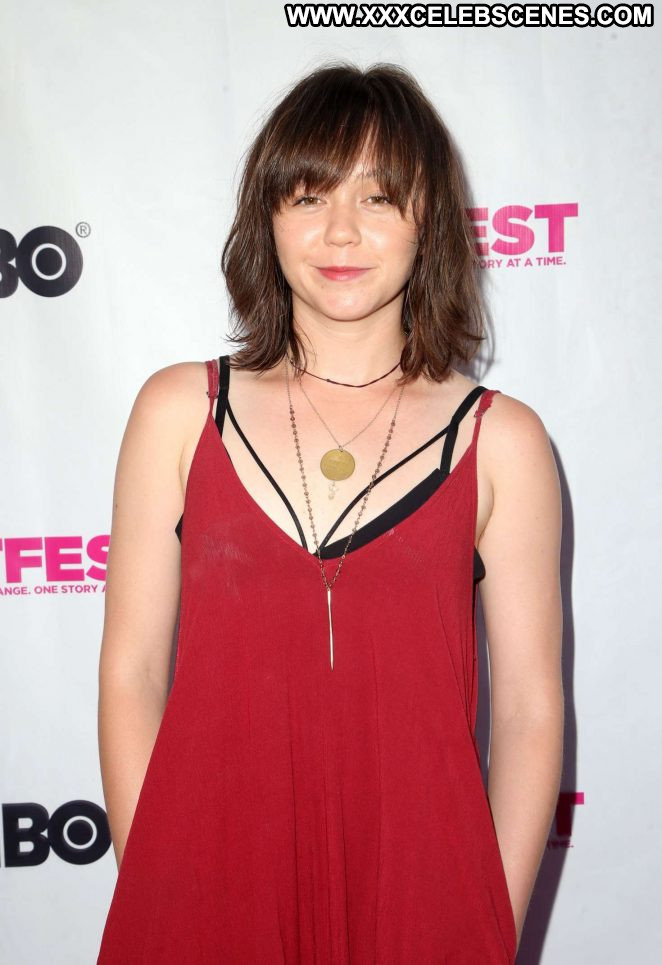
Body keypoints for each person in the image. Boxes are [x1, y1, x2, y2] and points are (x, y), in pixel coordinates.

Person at [97, 61, 563, 963]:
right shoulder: (178, 414)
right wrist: (158, 883)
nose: (340, 230)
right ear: (266, 216)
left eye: (379, 197)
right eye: (309, 195)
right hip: (205, 897)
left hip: (423, 901)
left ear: (429, 222)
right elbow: (133, 672)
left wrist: (484, 925)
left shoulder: (502, 441)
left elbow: (529, 710)